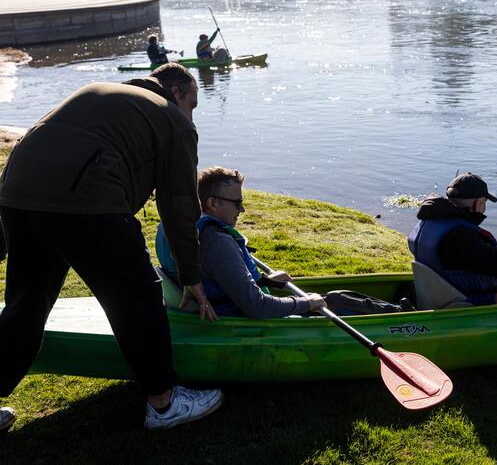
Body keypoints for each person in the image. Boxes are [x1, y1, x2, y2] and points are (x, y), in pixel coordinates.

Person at [0, 63, 223, 430]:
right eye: (193, 104)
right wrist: (191, 275)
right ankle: (164, 404)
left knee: (25, 306)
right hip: (86, 198)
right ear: (177, 92)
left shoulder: (98, 91)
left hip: (15, 191)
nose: (192, 115)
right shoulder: (173, 118)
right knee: (137, 295)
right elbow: (179, 204)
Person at [156, 166, 326, 318]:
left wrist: (261, 281)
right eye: (237, 203)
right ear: (212, 203)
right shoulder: (217, 243)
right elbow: (257, 307)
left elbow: (217, 278)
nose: (242, 209)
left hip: (209, 309)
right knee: (338, 303)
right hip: (236, 320)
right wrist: (307, 302)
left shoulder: (177, 228)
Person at [408, 173, 497, 306]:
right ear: (478, 203)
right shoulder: (460, 238)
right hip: (467, 302)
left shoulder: (429, 222)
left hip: (437, 295)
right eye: (484, 203)